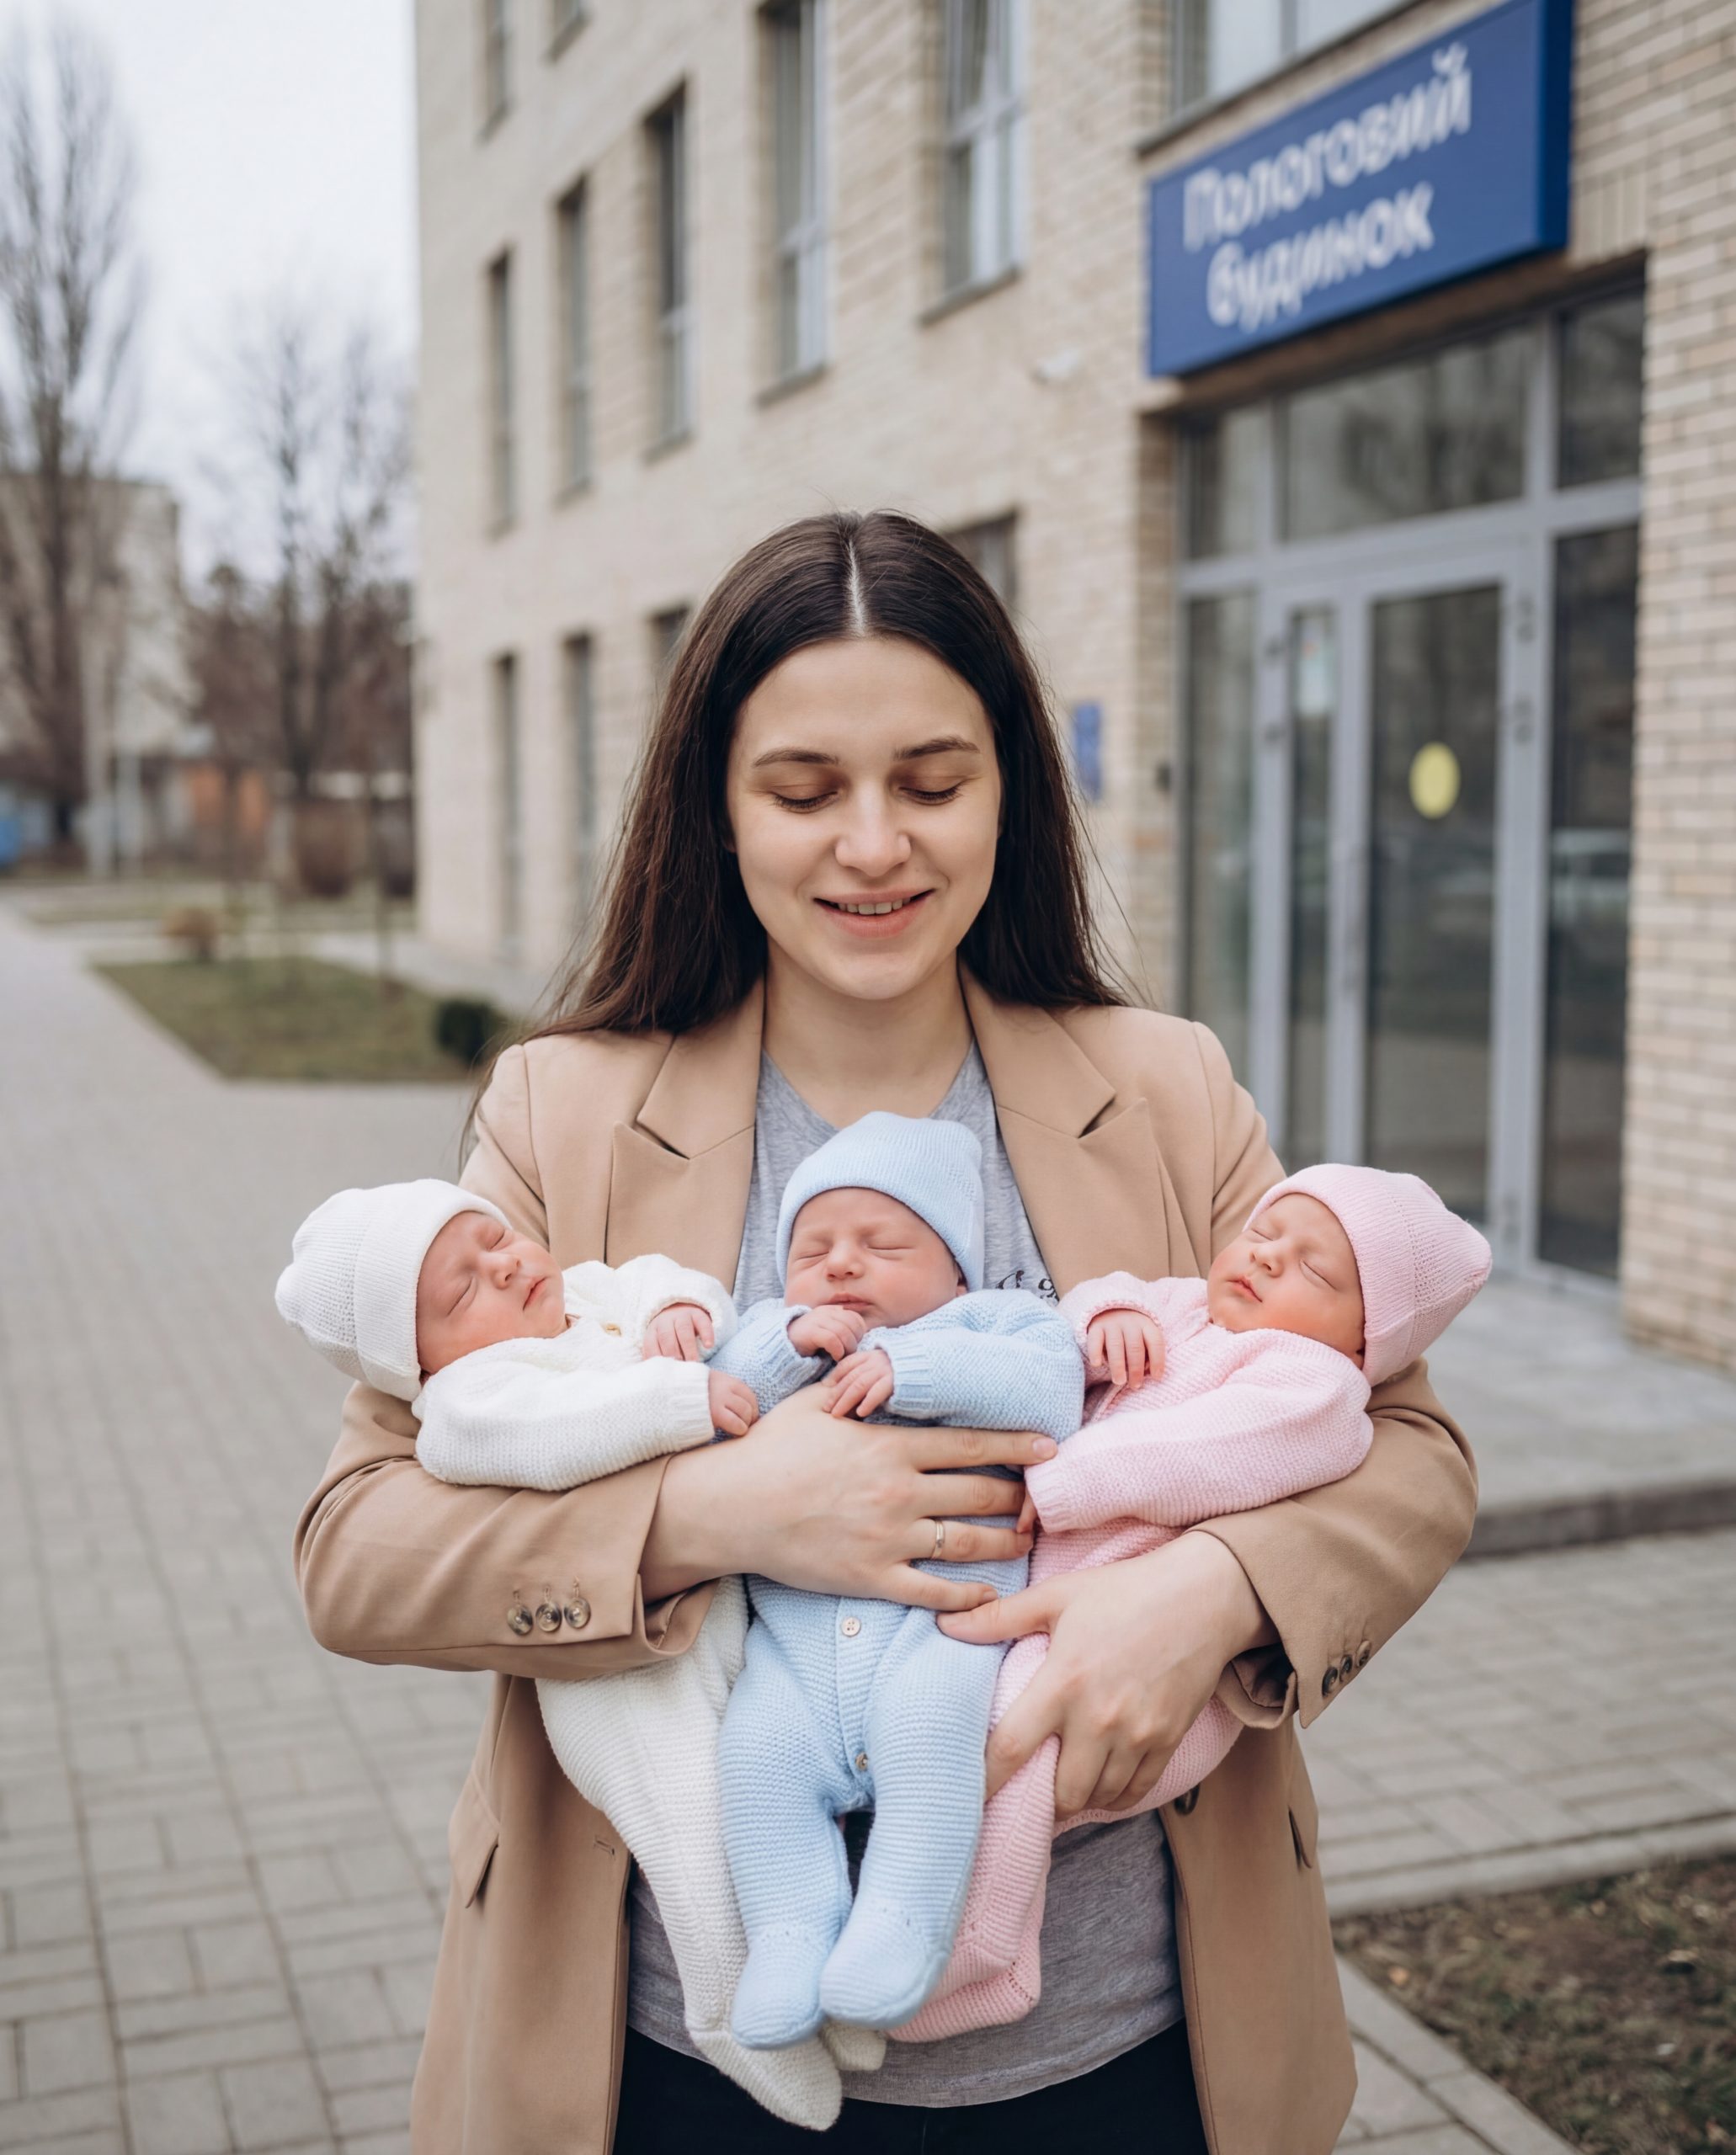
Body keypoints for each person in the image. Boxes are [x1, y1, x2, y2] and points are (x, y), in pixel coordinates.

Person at [292, 508, 1476, 2155]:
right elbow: (357, 1541)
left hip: (1123, 2045)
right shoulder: (564, 1111)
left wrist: (1211, 1598)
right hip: (671, 2056)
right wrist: (707, 1512)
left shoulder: (1161, 1087)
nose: (871, 844)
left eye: (931, 781)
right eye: (801, 791)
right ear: (714, 803)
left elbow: (1404, 1447)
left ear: (1011, 785)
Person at [273, 1180, 867, 2127]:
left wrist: (682, 1309)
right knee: (692, 1832)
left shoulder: (590, 1291)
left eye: (496, 1237)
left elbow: (662, 1278)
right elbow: (558, 1439)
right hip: (620, 1686)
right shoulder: (470, 1399)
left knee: (766, 1787)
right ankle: (726, 2008)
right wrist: (681, 1397)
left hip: (715, 1619)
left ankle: (816, 1969)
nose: (506, 1265)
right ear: (415, 1364)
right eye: (462, 1291)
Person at [900, 1163, 1492, 2041]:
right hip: (1051, 1592)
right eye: (1263, 1233)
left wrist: (1061, 1481)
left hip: (1148, 1653)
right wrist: (1109, 1317)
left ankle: (978, 1949)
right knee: (939, 1725)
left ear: (1367, 1343)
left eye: (1313, 1270)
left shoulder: (1312, 1386)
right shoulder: (1182, 1303)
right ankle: (906, 1905)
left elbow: (1198, 1454)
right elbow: (1099, 1291)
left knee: (1017, 1759)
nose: (1264, 1258)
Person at [708, 1112, 1082, 2046]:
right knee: (753, 1762)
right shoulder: (778, 1331)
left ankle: (900, 1921)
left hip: (939, 1636)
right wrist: (787, 1339)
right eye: (813, 1247)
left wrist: (906, 1364)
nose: (840, 1264)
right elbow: (722, 1399)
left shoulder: (992, 1319)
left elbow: (1047, 1389)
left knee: (933, 1743)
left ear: (955, 1267)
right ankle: (789, 1936)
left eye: (881, 1243)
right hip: (789, 1660)